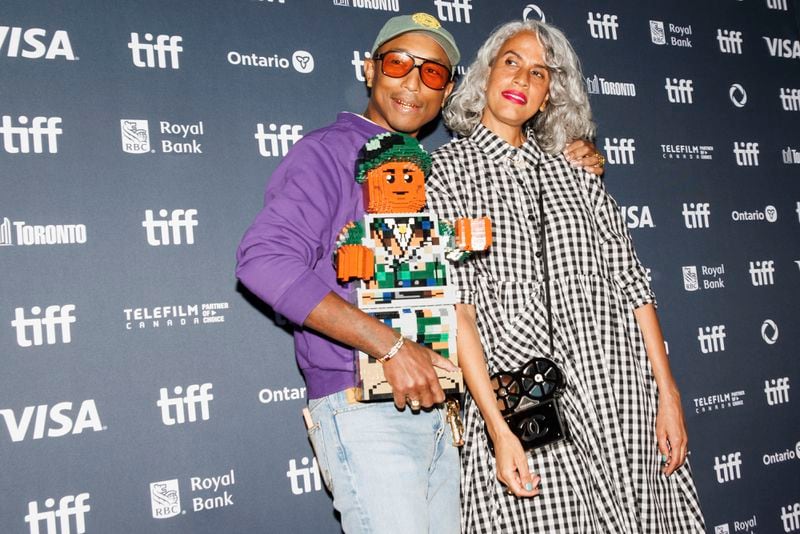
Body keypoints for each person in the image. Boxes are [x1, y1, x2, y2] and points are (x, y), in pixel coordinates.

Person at [237, 12, 603, 533]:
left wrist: (574, 154)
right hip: (362, 407)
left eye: (432, 73)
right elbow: (263, 260)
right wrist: (389, 346)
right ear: (370, 70)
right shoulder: (328, 153)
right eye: (398, 64)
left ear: (448, 90)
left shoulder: (428, 171)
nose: (413, 82)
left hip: (436, 412)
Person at [425, 19, 706, 533]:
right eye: (511, 61)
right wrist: (495, 429)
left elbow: (634, 286)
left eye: (540, 72)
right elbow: (455, 307)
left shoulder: (579, 174)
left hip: (618, 396)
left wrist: (669, 395)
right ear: (486, 72)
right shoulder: (445, 172)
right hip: (521, 406)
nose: (522, 79)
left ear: (550, 94)